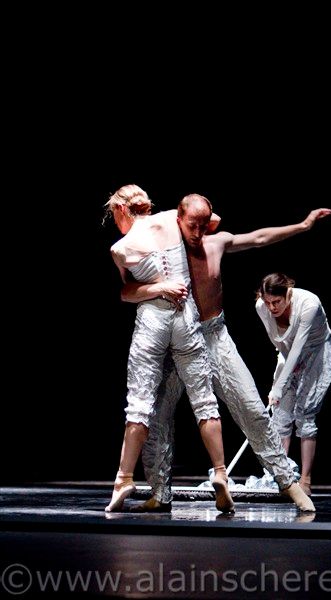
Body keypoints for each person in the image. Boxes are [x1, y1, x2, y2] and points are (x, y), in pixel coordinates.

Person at [122, 194, 331, 512]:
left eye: (202, 225)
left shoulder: (215, 243)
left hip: (214, 336)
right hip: (177, 338)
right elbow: (129, 284)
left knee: (251, 406)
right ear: (178, 221)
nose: (196, 233)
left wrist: (303, 225)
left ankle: (288, 482)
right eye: (191, 226)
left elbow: (259, 238)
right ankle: (159, 492)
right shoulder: (163, 252)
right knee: (158, 416)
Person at [104, 184, 234, 514]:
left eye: (114, 215)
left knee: (139, 404)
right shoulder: (172, 219)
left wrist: (157, 287)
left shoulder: (120, 248)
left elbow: (127, 293)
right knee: (204, 399)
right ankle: (220, 472)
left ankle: (124, 478)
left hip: (153, 321)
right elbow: (212, 219)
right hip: (186, 317)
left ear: (121, 210)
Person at [256, 272, 331, 496]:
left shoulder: (309, 304)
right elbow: (278, 341)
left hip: (316, 352)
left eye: (276, 302)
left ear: (287, 294)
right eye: (268, 302)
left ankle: (305, 481)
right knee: (280, 414)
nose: (272, 307)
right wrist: (281, 382)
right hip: (287, 353)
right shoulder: (261, 307)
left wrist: (278, 386)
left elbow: (300, 345)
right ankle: (282, 478)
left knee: (305, 414)